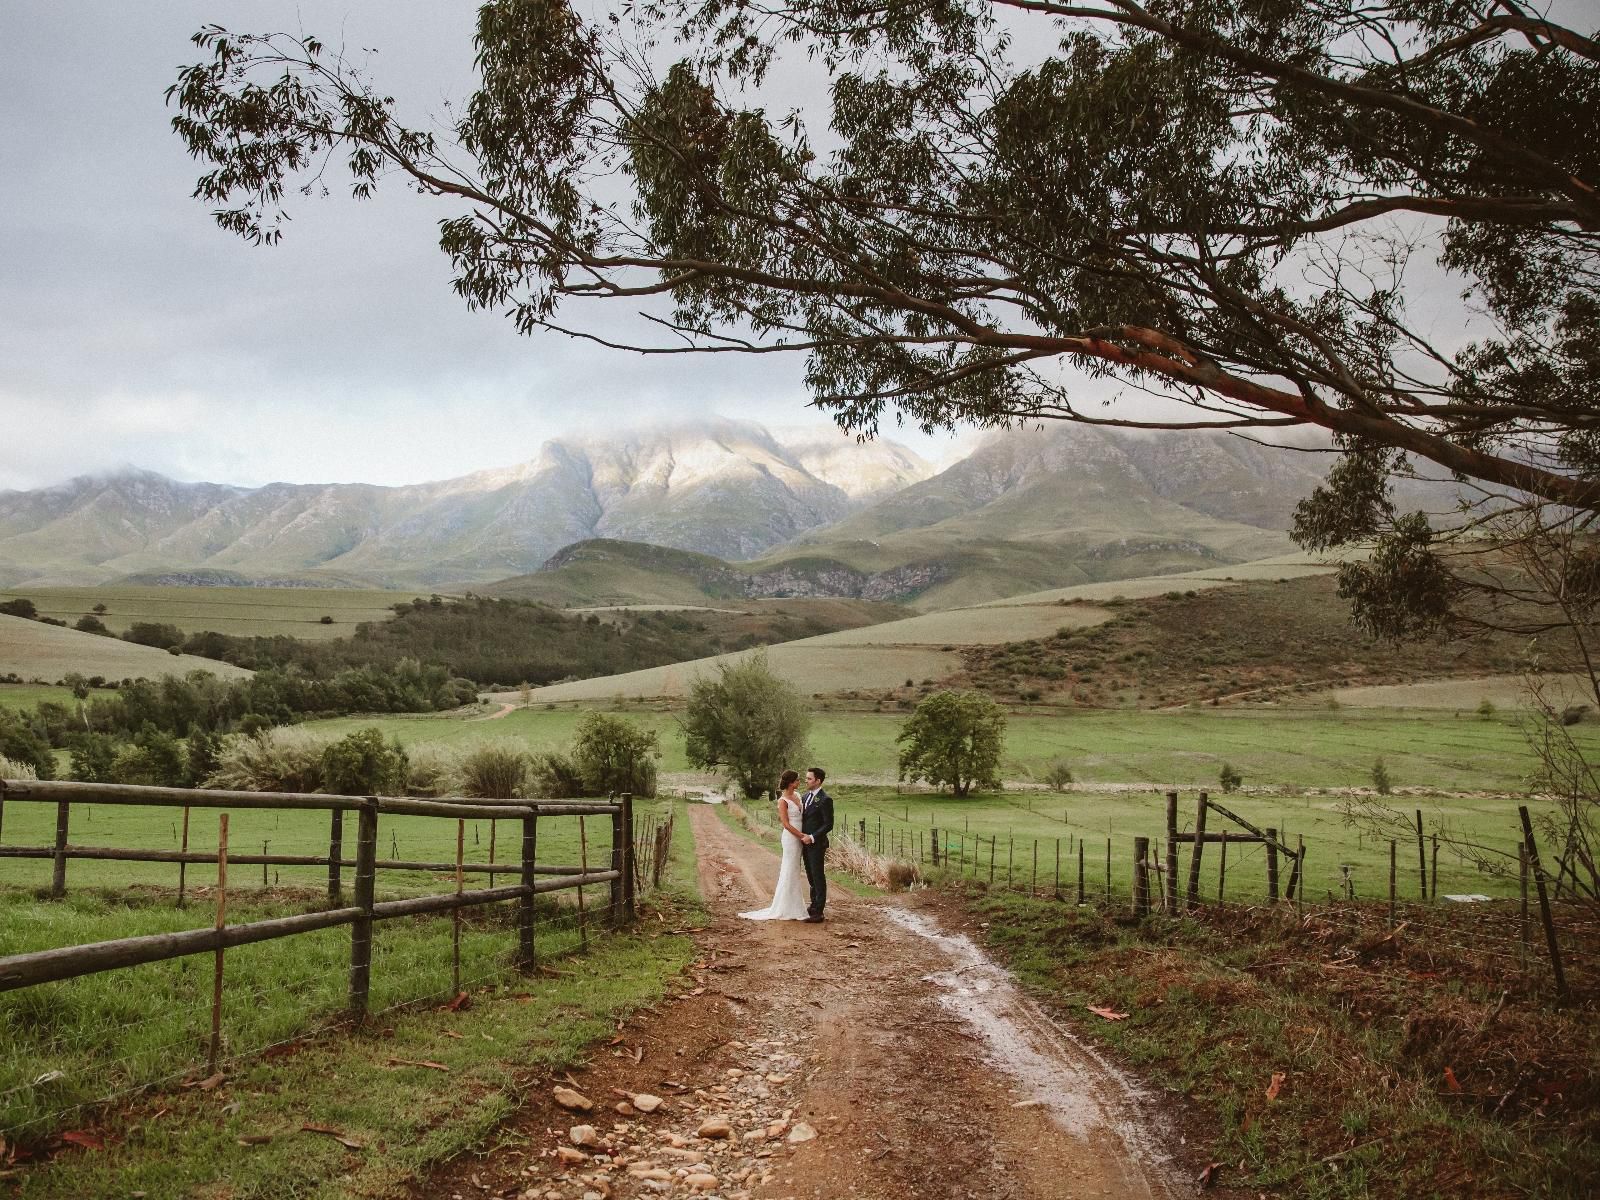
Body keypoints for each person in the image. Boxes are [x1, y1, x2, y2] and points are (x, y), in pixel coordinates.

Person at [738, 769, 812, 921]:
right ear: (791, 783)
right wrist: (801, 836)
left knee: (795, 870)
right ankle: (786, 907)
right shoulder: (783, 800)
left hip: (800, 837)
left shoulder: (798, 796)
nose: (800, 782)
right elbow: (785, 824)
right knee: (789, 869)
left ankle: (795, 905)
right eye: (797, 780)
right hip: (792, 838)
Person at [798, 766, 833, 923]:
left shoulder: (825, 800)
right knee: (811, 876)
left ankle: (818, 912)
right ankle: (813, 906)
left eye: (809, 778)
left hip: (816, 844)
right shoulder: (805, 797)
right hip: (804, 843)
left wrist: (812, 837)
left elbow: (828, 824)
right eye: (806, 778)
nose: (806, 781)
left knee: (818, 876)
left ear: (818, 781)